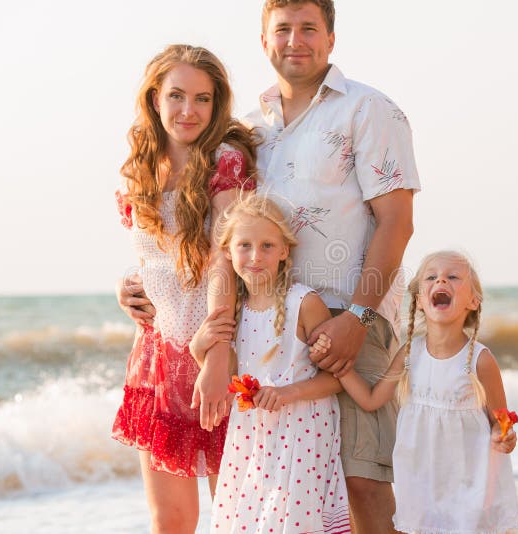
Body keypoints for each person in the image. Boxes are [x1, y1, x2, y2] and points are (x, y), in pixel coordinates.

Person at [244, 0, 421, 530]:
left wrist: (358, 318)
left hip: (352, 318)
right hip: (275, 329)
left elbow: (396, 223)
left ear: (331, 39)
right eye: (282, 29)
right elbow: (224, 232)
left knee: (363, 483)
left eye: (308, 29)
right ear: (264, 40)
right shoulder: (249, 129)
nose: (294, 40)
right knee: (294, 489)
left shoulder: (368, 109)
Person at [111, 44, 256, 534]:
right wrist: (124, 287)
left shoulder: (225, 162)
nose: (188, 110)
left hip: (214, 351)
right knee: (169, 521)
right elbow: (153, 260)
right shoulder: (138, 171)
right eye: (176, 96)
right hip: (155, 357)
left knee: (235, 516)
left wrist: (216, 356)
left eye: (202, 99)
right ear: (155, 99)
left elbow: (225, 259)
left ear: (217, 105)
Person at [190, 195, 351, 533]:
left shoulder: (303, 303)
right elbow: (231, 376)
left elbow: (338, 378)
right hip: (253, 439)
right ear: (228, 252)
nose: (255, 256)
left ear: (283, 251)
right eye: (244, 245)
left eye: (266, 246)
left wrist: (289, 392)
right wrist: (197, 349)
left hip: (302, 433)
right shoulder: (234, 313)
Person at [330, 251, 518, 533]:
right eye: (431, 277)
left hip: (468, 483)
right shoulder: (409, 355)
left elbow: (499, 423)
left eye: (453, 277)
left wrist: (503, 436)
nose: (440, 279)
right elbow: (371, 400)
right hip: (421, 481)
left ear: (473, 301)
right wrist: (340, 367)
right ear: (420, 300)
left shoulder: (480, 361)